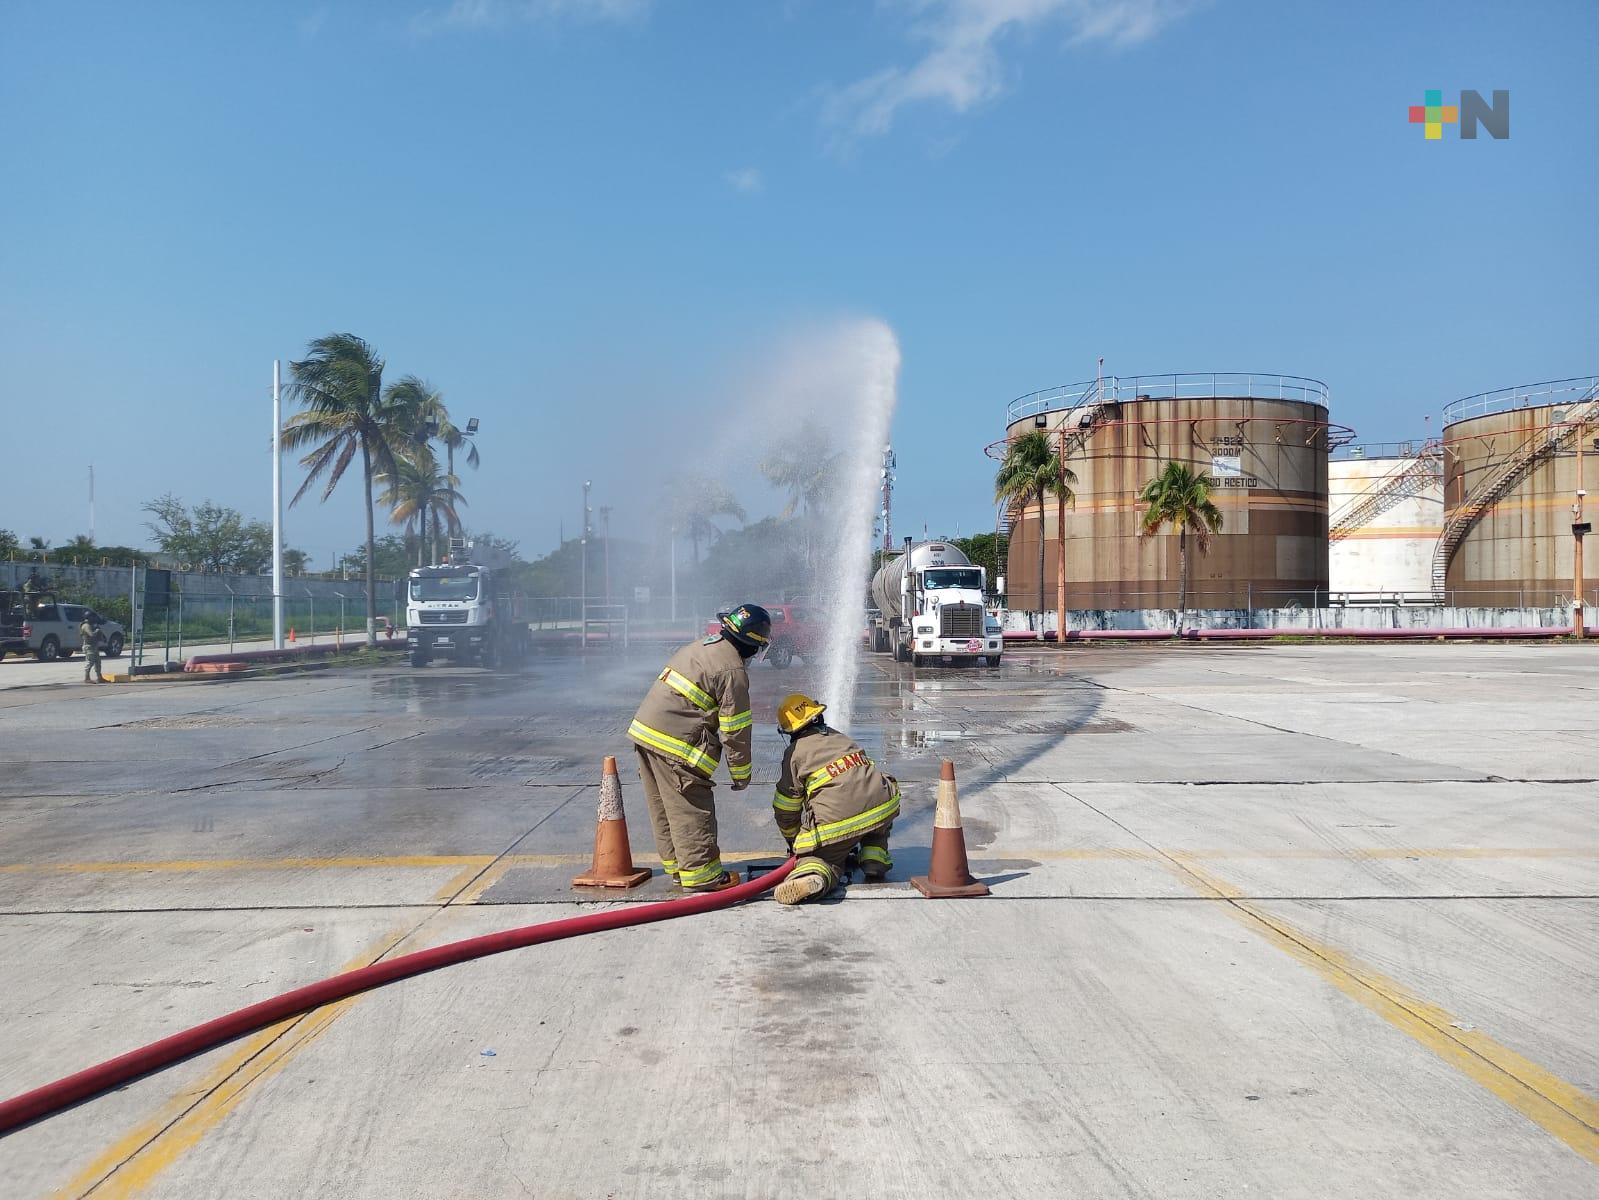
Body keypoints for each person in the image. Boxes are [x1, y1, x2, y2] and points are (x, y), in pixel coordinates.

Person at [628, 603, 770, 892]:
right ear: (752, 645)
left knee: (666, 806)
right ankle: (702, 876)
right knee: (691, 804)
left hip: (646, 733)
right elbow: (735, 728)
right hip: (676, 741)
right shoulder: (732, 669)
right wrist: (741, 774)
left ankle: (680, 868)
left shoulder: (702, 646)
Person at [770, 692, 900, 905]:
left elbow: (786, 808)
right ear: (817, 716)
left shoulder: (794, 753)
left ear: (790, 730)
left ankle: (813, 877)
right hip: (883, 803)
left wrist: (796, 843)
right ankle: (874, 859)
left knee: (822, 859)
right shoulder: (840, 737)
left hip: (838, 819)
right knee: (875, 819)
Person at [80, 613, 104, 684]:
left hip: (94, 646)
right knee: (90, 662)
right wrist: (97, 631)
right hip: (89, 646)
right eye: (92, 617)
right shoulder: (86, 626)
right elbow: (91, 635)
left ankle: (99, 677)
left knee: (98, 662)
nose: (93, 619)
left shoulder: (91, 625)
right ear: (88, 617)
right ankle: (87, 678)